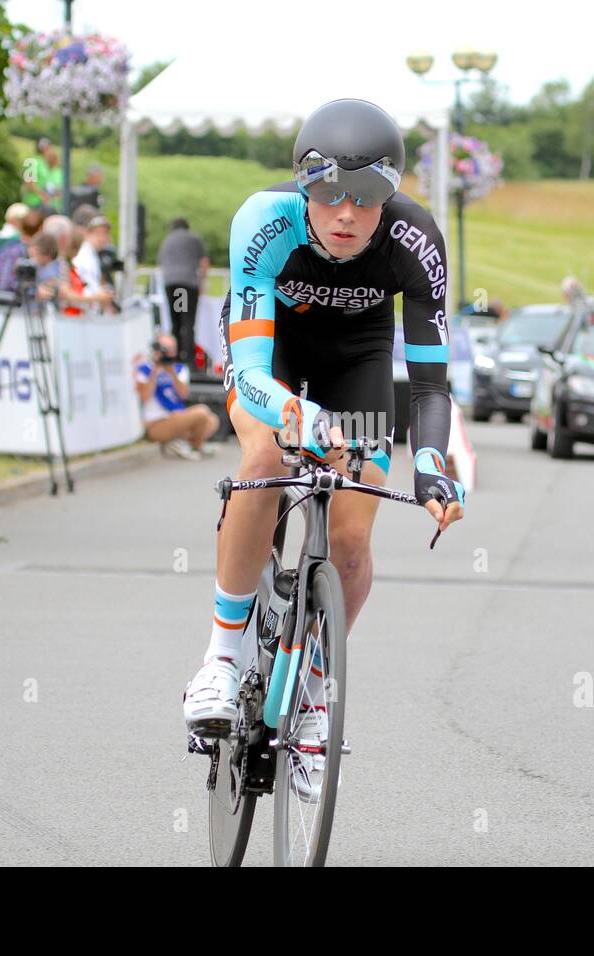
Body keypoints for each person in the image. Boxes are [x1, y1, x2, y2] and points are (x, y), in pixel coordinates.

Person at [181, 99, 466, 766]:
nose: (346, 213)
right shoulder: (263, 220)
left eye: (367, 197)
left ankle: (311, 700)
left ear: (390, 195)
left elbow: (428, 387)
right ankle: (222, 657)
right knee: (263, 453)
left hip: (358, 360)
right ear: (305, 186)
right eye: (331, 193)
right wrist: (295, 417)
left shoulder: (416, 240)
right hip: (273, 352)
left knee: (354, 540)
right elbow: (249, 371)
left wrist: (431, 463)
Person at [135, 333, 220, 460]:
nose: (167, 353)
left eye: (170, 349)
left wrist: (172, 373)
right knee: (202, 412)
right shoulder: (145, 369)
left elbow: (183, 394)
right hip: (157, 422)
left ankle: (181, 444)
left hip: (178, 417)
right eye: (164, 349)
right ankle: (196, 445)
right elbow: (144, 396)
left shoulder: (179, 369)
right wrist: (155, 372)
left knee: (212, 420)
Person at [157, 217, 210, 366]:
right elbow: (204, 262)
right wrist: (202, 282)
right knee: (187, 322)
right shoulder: (195, 239)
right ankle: (189, 360)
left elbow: (161, 265)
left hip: (171, 284)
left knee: (176, 321)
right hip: (187, 283)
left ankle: (176, 357)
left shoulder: (167, 240)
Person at [0, 207, 43, 295]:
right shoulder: (14, 252)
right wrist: (35, 291)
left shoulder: (22, 249)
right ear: (40, 230)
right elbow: (4, 286)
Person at [22, 138, 62, 212]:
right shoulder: (33, 161)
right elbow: (29, 184)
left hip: (41, 202)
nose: (51, 150)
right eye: (49, 148)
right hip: (34, 203)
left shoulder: (43, 162)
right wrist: (42, 196)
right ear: (44, 149)